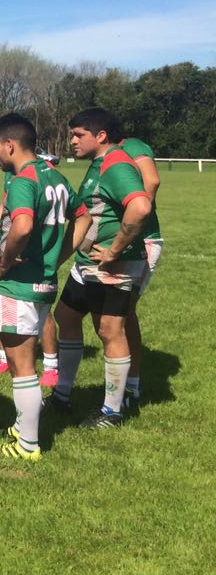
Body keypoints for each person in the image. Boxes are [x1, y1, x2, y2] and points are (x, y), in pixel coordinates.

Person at [0, 114, 79, 460]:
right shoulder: (56, 176)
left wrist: (5, 261)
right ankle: (23, 427)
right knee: (24, 361)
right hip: (44, 282)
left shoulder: (24, 180)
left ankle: (27, 445)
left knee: (21, 365)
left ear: (10, 145)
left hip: (19, 286)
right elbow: (84, 216)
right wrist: (59, 256)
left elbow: (21, 227)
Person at [49, 109, 153, 429]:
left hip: (111, 265)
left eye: (79, 135)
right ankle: (62, 394)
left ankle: (112, 412)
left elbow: (141, 206)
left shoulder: (115, 163)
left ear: (101, 136)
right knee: (66, 316)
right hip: (88, 264)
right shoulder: (98, 164)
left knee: (110, 330)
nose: (73, 140)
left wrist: (115, 250)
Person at [113, 134, 161, 408]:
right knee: (117, 314)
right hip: (127, 241)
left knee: (124, 312)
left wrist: (138, 218)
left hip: (143, 240)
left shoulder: (131, 145)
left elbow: (151, 181)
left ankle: (131, 387)